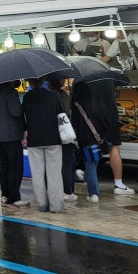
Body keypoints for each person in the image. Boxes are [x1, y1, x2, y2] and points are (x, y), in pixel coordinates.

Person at [79, 78, 134, 195]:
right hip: (109, 116)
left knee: (91, 149)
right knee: (114, 148)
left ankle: (90, 183)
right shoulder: (107, 76)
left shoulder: (82, 78)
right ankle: (118, 184)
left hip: (90, 117)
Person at [22, 78, 64, 213]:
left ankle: (42, 204)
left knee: (37, 174)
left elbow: (24, 118)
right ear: (43, 81)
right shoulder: (53, 95)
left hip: (34, 140)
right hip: (53, 139)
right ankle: (56, 206)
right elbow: (61, 114)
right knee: (54, 174)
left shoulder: (27, 97)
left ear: (30, 83)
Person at [0, 81, 28, 207]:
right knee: (15, 166)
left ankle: (5, 195)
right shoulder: (10, 92)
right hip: (12, 135)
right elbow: (15, 111)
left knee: (4, 166)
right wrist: (22, 107)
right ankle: (14, 197)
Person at [46, 74, 77, 203]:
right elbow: (66, 113)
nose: (64, 80)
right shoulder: (63, 96)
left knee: (52, 164)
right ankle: (67, 191)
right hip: (64, 134)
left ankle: (53, 190)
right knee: (67, 162)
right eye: (63, 78)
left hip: (51, 135)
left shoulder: (47, 96)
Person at [70, 81, 103, 202]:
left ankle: (93, 193)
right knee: (94, 163)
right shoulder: (96, 100)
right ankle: (88, 181)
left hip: (85, 138)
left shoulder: (76, 104)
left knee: (90, 164)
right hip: (98, 137)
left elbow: (74, 122)